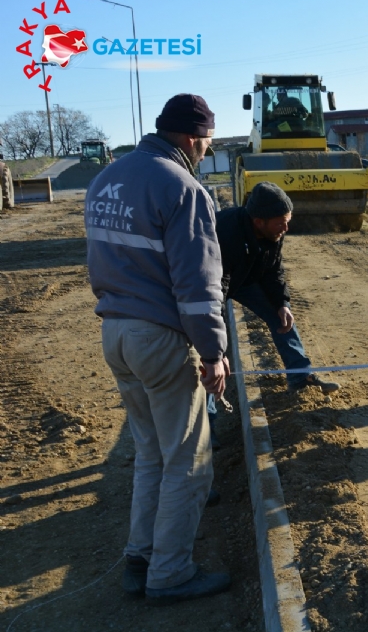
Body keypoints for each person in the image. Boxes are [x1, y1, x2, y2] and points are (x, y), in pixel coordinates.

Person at [85, 94, 232, 604]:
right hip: (159, 336)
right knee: (190, 460)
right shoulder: (183, 187)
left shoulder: (109, 176)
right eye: (208, 141)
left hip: (116, 332)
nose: (206, 150)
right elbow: (198, 286)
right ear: (193, 138)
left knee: (150, 454)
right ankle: (169, 573)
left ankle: (140, 555)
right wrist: (213, 353)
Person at [214, 181, 340, 394]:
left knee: (281, 317)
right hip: (212, 281)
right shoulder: (225, 231)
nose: (286, 228)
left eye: (288, 221)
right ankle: (210, 404)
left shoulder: (274, 233)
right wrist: (216, 349)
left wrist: (282, 303)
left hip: (245, 279)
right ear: (258, 221)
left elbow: (274, 270)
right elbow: (216, 284)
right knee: (209, 342)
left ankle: (300, 376)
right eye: (281, 223)